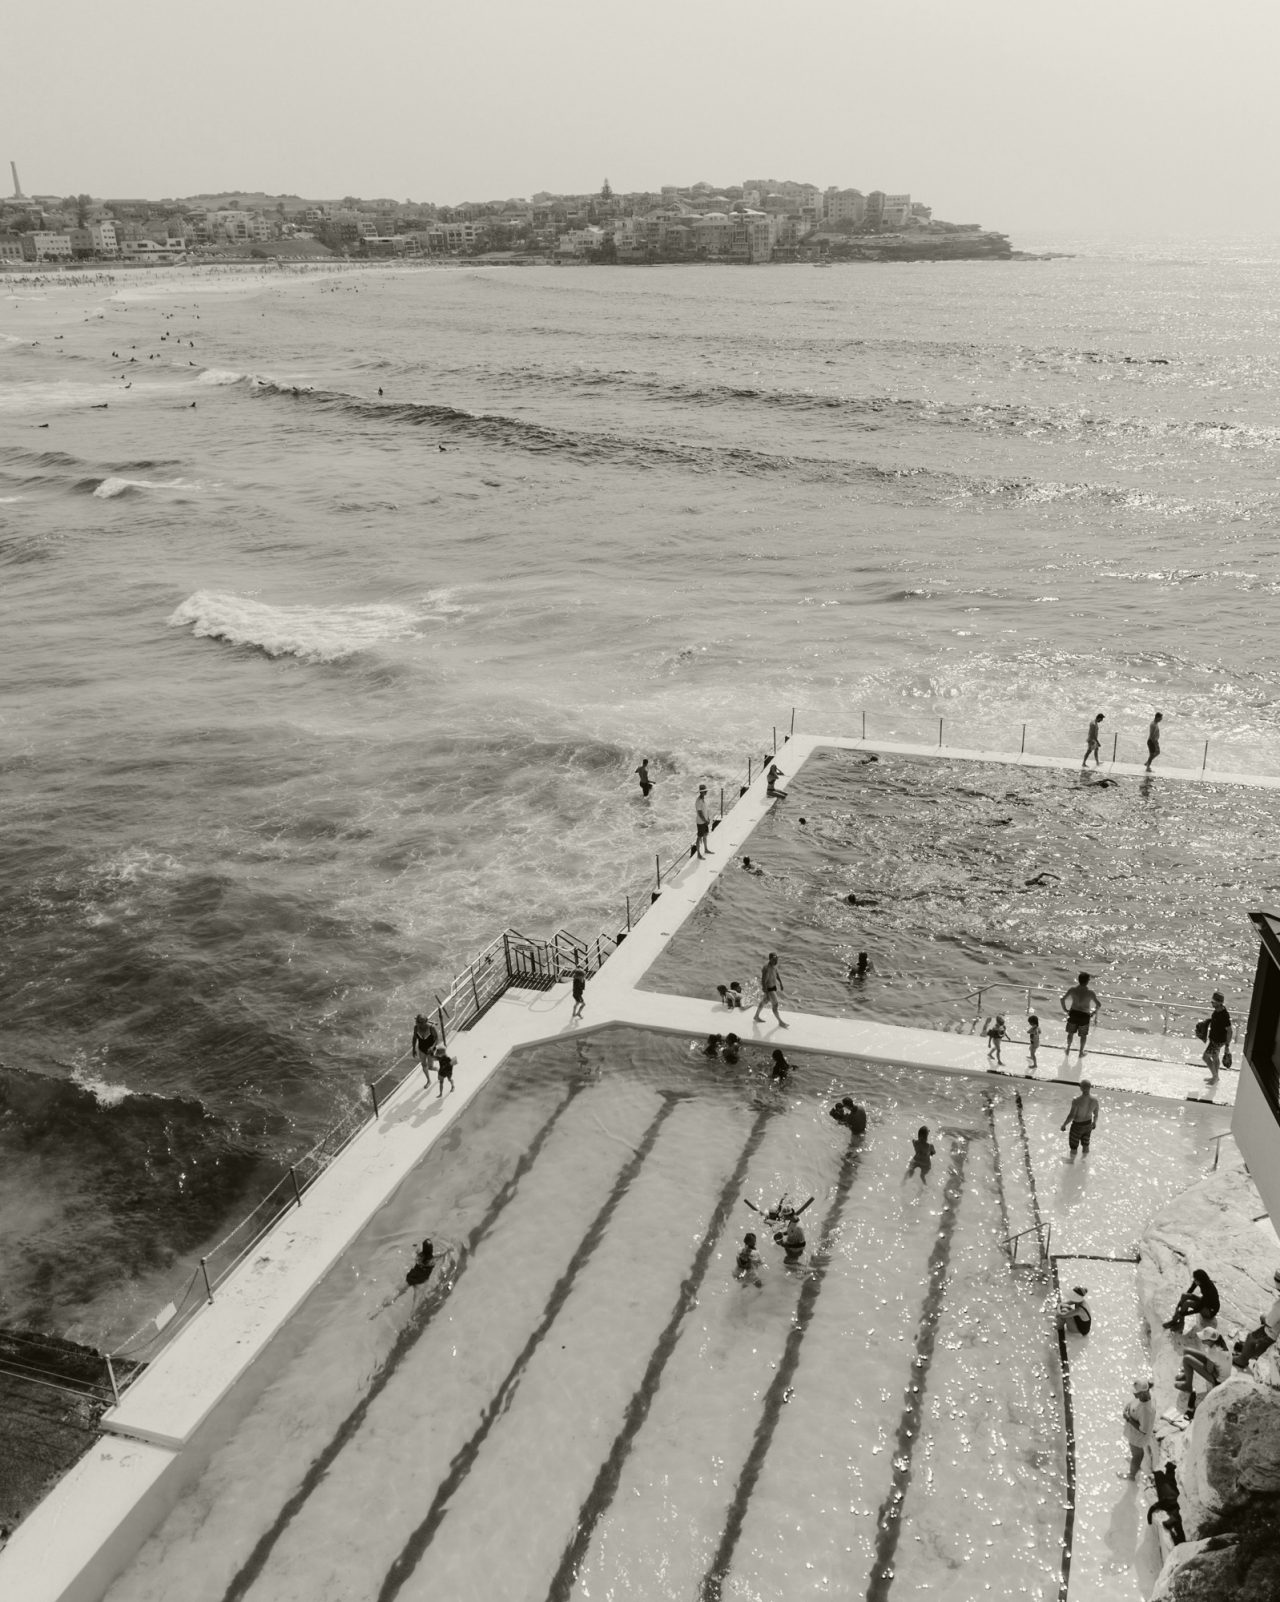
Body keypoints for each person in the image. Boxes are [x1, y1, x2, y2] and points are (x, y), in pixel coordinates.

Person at [1233, 1268, 1280, 1367]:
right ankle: (1251, 1354)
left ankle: (1242, 1360)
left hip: (1272, 1333)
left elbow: (1269, 1323)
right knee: (1261, 1321)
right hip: (1276, 1329)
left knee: (1251, 1337)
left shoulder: (1278, 1305)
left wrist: (1265, 1319)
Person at [1175, 1327, 1232, 1405]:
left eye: (1204, 1339)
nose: (1202, 1340)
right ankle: (1187, 1375)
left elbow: (1209, 1370)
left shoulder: (1213, 1352)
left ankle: (1188, 1386)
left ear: (1210, 1340)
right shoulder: (1221, 1342)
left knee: (1187, 1359)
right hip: (1218, 1367)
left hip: (1218, 1380)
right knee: (1186, 1350)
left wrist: (1199, 1364)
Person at [1163, 1269, 1220, 1334]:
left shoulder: (1209, 1289)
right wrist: (1180, 1304)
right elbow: (1190, 1290)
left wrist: (1184, 1313)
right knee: (1184, 1295)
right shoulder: (1200, 1281)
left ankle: (1180, 1325)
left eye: (1195, 1280)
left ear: (1200, 1280)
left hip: (1210, 1310)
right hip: (1204, 1302)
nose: (1194, 1281)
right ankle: (1175, 1321)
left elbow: (1199, 1308)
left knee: (1187, 1303)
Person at [1060, 972, 1101, 1059]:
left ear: (1079, 980)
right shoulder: (1090, 993)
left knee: (1070, 1033)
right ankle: (1081, 1052)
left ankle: (1067, 1049)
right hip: (1084, 1015)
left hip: (1073, 1013)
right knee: (1083, 1035)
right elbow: (1098, 1004)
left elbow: (1062, 999)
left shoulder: (1072, 990)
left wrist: (1065, 1009)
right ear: (1087, 981)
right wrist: (1093, 1012)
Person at [1121, 1378, 1154, 1479]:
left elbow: (1143, 1430)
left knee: (1136, 1454)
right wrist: (1128, 1407)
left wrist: (1128, 1419)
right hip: (1133, 1434)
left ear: (1142, 1394)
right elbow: (1133, 1402)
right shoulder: (1143, 1397)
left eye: (1136, 1393)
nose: (1134, 1395)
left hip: (1137, 1437)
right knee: (1137, 1453)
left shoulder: (1146, 1410)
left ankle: (1131, 1475)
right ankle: (1137, 1463)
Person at [1061, 1081, 1099, 1156]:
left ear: (1081, 1088)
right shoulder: (1095, 1100)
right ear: (1089, 1087)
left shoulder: (1076, 1100)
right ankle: (1084, 1161)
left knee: (1074, 1146)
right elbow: (1096, 1114)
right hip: (1088, 1125)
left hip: (1077, 1126)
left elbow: (1071, 1116)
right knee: (1086, 1145)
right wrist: (1094, 1122)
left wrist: (1064, 1125)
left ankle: (1071, 1163)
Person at [1202, 993, 1232, 1082]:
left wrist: (1227, 1046)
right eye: (1212, 1001)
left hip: (1217, 1041)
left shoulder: (1224, 1015)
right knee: (1215, 1057)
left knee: (1205, 1057)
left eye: (1213, 1002)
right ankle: (1216, 1077)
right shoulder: (1217, 1010)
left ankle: (1215, 1077)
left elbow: (1230, 1031)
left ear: (1219, 1002)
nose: (1212, 1003)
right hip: (1214, 1039)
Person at [754, 953, 787, 1026]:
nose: (776, 961)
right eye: (774, 960)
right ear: (770, 959)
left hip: (773, 987)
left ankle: (756, 1016)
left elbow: (777, 974)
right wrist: (765, 990)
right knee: (775, 1004)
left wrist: (781, 983)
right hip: (769, 989)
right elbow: (763, 980)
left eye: (776, 960)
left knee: (764, 1001)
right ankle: (780, 1022)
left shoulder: (774, 966)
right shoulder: (766, 968)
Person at [695, 785, 713, 858]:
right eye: (705, 791)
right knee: (699, 837)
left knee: (705, 835)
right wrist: (705, 820)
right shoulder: (698, 801)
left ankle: (706, 849)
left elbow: (705, 810)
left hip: (705, 821)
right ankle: (698, 854)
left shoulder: (703, 799)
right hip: (701, 822)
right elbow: (699, 813)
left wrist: (708, 818)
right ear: (702, 792)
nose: (706, 792)